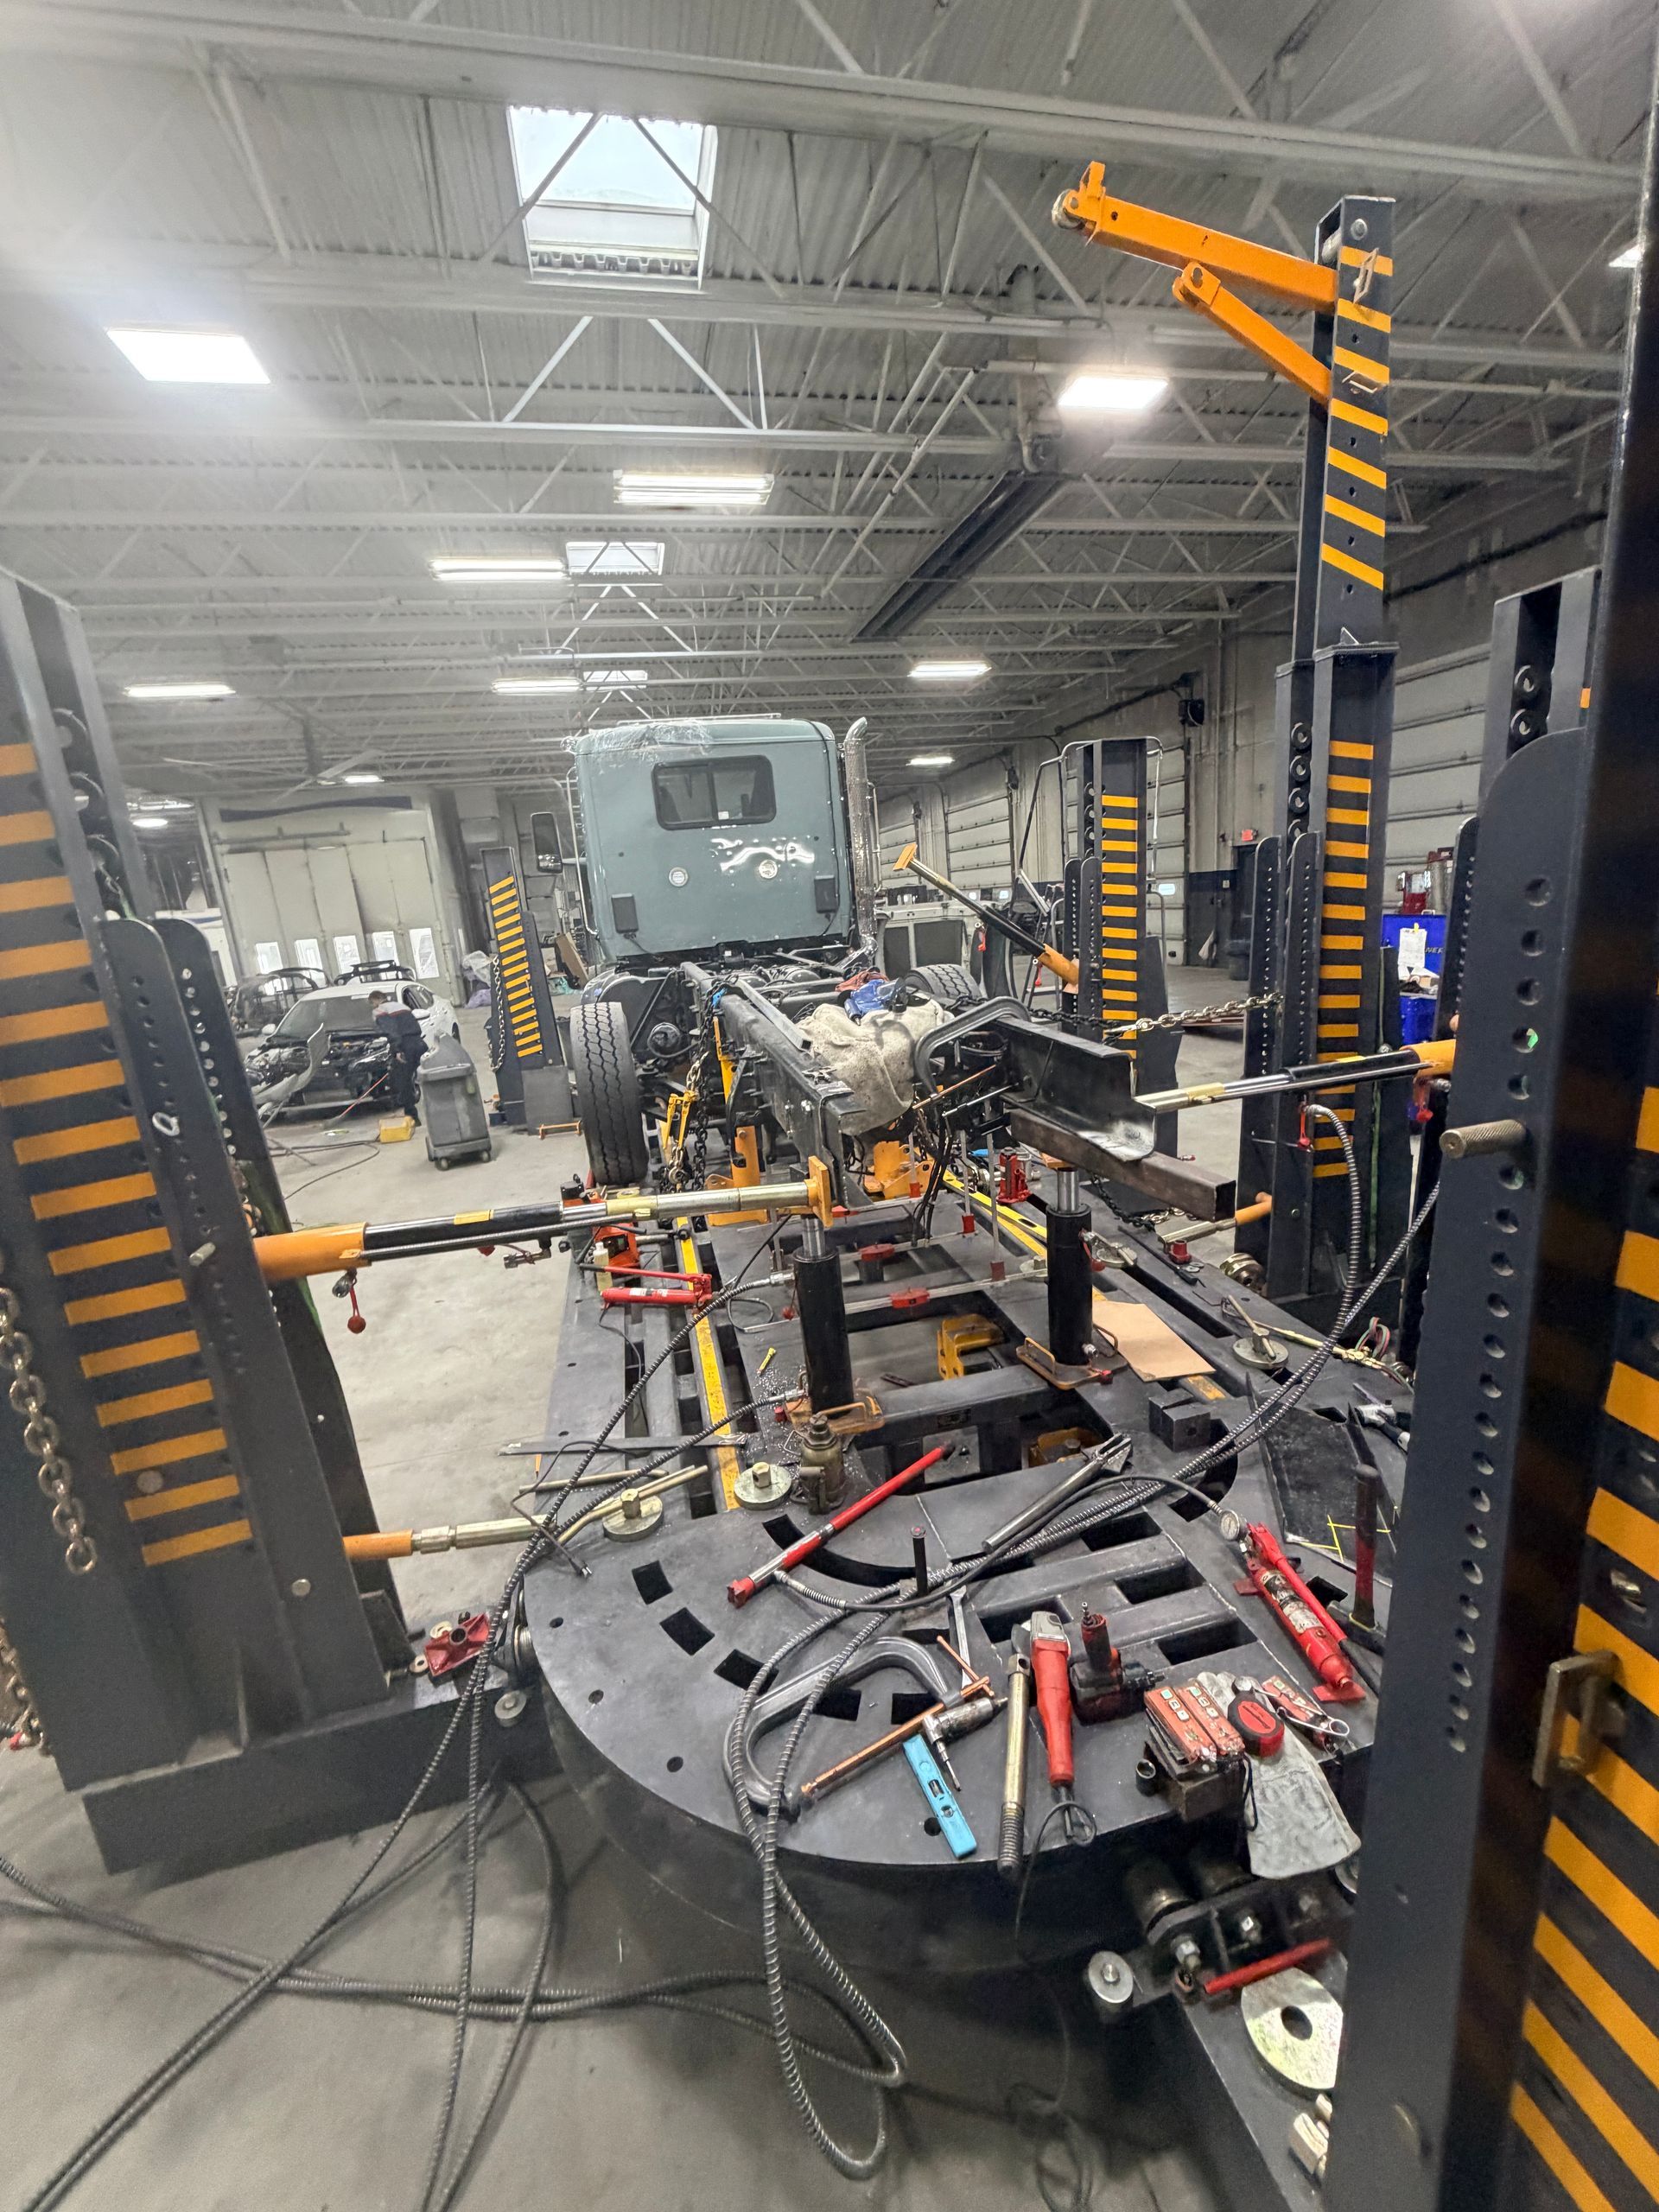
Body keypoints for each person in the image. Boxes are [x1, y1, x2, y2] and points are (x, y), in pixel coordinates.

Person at [369, 989, 427, 1122]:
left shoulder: (380, 1010)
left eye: (372, 1003)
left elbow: (391, 1031)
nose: (373, 1006)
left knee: (403, 1081)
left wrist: (397, 1050)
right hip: (420, 1043)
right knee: (424, 1077)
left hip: (405, 1047)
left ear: (377, 999)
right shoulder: (402, 1006)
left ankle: (412, 1117)